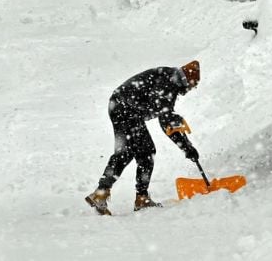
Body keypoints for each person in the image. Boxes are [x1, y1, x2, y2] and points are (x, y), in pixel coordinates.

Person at [85, 61, 201, 215]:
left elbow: (166, 119)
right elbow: (167, 122)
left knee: (127, 153)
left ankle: (102, 193)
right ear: (187, 81)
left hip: (119, 106)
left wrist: (186, 146)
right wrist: (187, 148)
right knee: (145, 152)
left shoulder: (169, 79)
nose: (192, 89)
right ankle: (140, 198)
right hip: (125, 109)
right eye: (193, 85)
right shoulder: (168, 85)